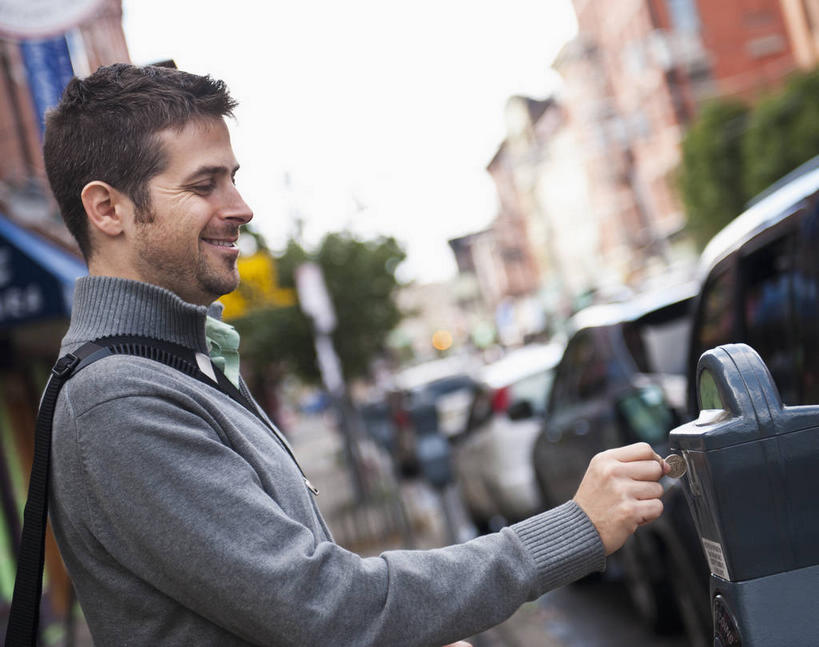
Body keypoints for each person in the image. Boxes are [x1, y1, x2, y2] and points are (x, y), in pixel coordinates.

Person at [42, 63, 670, 647]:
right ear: (108, 209)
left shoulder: (176, 362)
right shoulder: (120, 402)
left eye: (234, 178)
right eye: (204, 185)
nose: (240, 207)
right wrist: (574, 529)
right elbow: (327, 609)